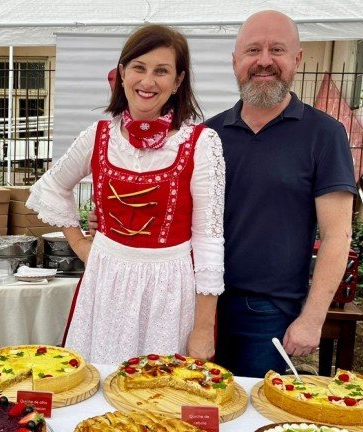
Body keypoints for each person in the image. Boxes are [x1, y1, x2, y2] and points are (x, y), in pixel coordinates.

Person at [27, 24, 226, 365]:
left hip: (169, 286)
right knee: (97, 388)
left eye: (161, 71)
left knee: (159, 395)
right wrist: (80, 245)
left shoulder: (201, 144)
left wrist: (204, 326)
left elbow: (208, 239)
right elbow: (52, 186)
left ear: (178, 82)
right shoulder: (98, 135)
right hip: (106, 281)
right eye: (139, 68)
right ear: (122, 74)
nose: (148, 82)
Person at [203, 10, 356, 377]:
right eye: (253, 50)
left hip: (269, 313)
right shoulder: (208, 135)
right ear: (235, 61)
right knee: (194, 412)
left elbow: (337, 235)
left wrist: (312, 319)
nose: (264, 61)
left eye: (277, 50)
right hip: (199, 304)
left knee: (255, 419)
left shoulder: (324, 134)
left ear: (297, 60)